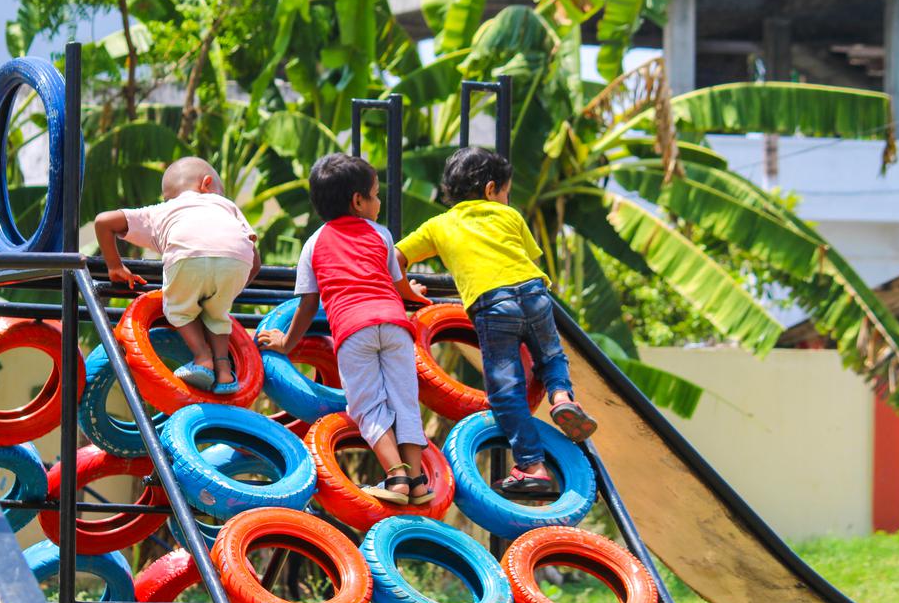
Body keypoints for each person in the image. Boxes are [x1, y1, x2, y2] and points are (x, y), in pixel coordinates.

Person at [395, 147, 597, 496]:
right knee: (550, 357)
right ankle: (562, 398)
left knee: (506, 389)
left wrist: (407, 290)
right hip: (534, 293)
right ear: (492, 190)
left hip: (492, 305)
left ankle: (533, 466)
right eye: (506, 191)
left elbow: (394, 256)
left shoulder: (438, 225)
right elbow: (529, 257)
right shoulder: (510, 216)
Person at [257, 153, 433, 505]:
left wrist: (286, 343)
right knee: (404, 400)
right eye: (376, 194)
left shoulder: (314, 244)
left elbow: (308, 306)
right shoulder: (380, 234)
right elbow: (399, 286)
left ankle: (395, 477)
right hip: (395, 325)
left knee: (367, 405)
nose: (379, 201)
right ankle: (417, 479)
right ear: (358, 201)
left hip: (354, 331)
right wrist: (417, 295)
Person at [94, 157, 260, 394]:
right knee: (218, 313)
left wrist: (115, 266)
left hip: (187, 258)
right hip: (236, 262)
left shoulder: (161, 210)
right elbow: (255, 259)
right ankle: (224, 372)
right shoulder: (228, 206)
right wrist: (232, 289)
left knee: (178, 309)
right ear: (207, 184)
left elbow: (103, 222)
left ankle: (203, 358)